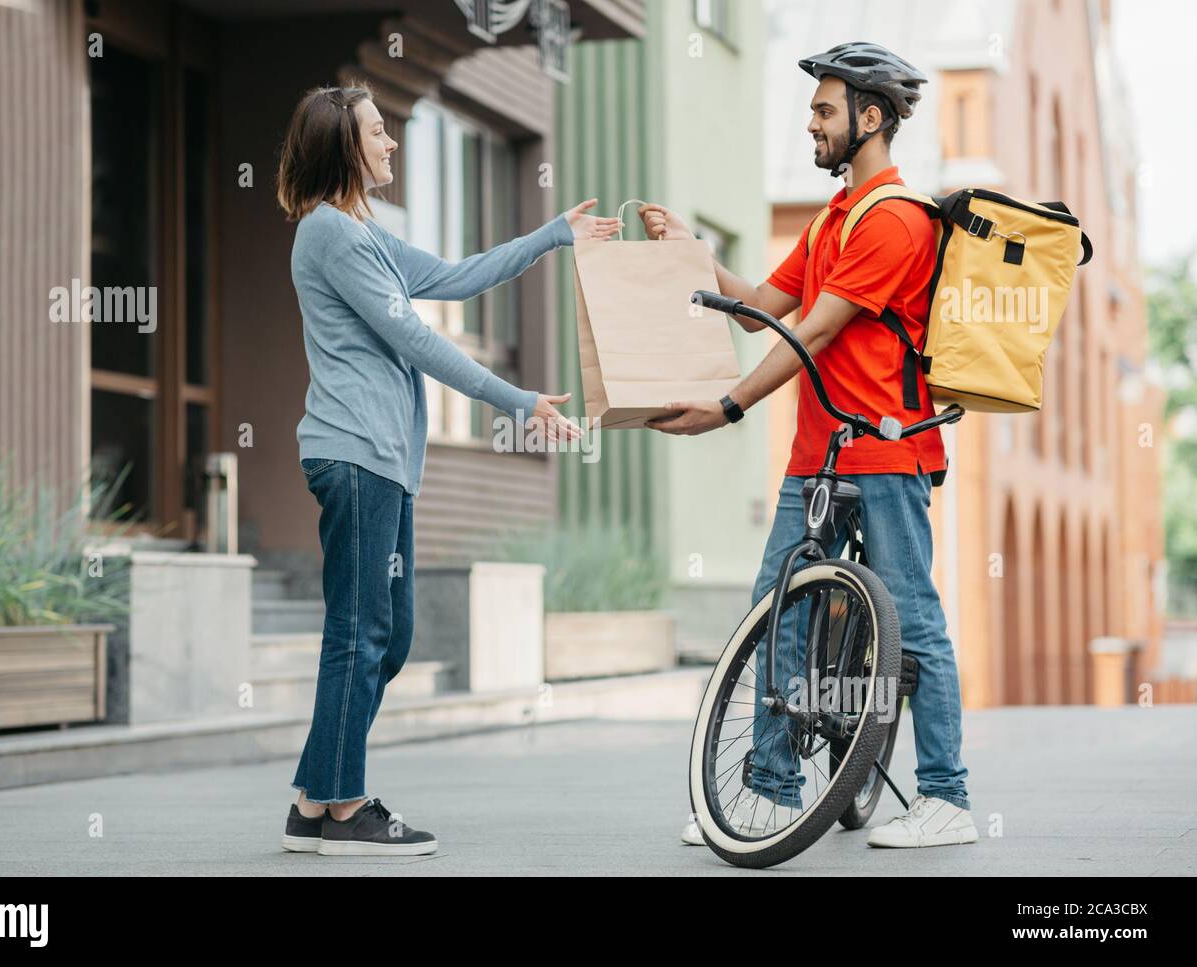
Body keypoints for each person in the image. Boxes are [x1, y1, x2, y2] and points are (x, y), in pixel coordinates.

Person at [640, 43, 977, 850]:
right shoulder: (835, 219)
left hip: (888, 452)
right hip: (818, 455)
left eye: (825, 111)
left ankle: (947, 796)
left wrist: (726, 407)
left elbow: (813, 333)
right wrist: (691, 251)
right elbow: (766, 304)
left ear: (870, 118)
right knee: (777, 608)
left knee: (913, 617)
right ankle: (770, 783)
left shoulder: (895, 219)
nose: (811, 124)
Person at [275, 83, 618, 856]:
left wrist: (553, 235)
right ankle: (345, 808)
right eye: (377, 133)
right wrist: (518, 400)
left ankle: (312, 798)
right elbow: (419, 342)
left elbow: (459, 277)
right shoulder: (329, 233)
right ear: (343, 147)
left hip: (382, 462)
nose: (391, 142)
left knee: (385, 638)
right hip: (355, 453)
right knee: (360, 633)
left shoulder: (363, 233)